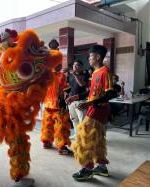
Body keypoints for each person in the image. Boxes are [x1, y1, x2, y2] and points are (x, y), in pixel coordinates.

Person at [71, 45, 116, 180]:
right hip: (95, 108)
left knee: (86, 137)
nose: (89, 59)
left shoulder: (105, 72)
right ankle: (102, 167)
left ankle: (87, 169)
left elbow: (111, 93)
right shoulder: (95, 73)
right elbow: (91, 93)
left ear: (97, 57)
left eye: (90, 56)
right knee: (97, 138)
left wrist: (90, 103)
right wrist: (77, 97)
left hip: (98, 109)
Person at [41, 62, 72, 155]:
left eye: (60, 64)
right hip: (57, 104)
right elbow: (67, 88)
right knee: (61, 125)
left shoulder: (45, 76)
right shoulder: (61, 76)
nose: (59, 66)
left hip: (47, 104)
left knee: (47, 123)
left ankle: (47, 142)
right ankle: (62, 146)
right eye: (57, 64)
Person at [66, 60, 89, 138]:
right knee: (74, 120)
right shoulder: (70, 76)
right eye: (74, 65)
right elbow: (69, 87)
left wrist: (75, 75)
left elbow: (82, 84)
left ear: (81, 67)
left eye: (77, 65)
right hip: (71, 101)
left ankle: (84, 137)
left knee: (82, 121)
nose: (75, 67)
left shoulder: (85, 75)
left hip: (81, 100)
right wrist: (66, 94)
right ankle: (77, 135)